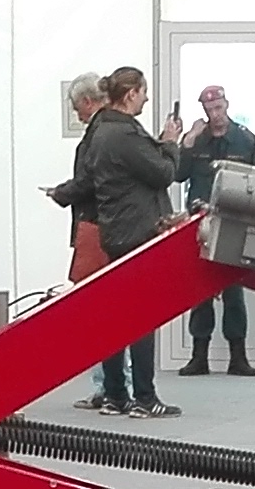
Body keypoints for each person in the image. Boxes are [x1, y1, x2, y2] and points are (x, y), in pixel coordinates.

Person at [75, 66, 182, 417]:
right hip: (138, 233)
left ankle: (115, 394)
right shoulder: (124, 134)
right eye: (143, 92)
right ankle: (145, 397)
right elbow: (163, 173)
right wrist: (170, 143)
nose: (146, 99)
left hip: (115, 231)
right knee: (140, 319)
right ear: (131, 93)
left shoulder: (101, 133)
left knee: (115, 319)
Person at [175, 84, 255, 376]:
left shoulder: (245, 139)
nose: (215, 114)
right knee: (201, 291)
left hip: (232, 222)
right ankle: (198, 356)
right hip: (200, 223)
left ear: (227, 104)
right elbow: (177, 175)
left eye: (219, 107)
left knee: (233, 292)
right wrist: (188, 142)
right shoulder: (197, 140)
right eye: (210, 109)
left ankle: (238, 357)